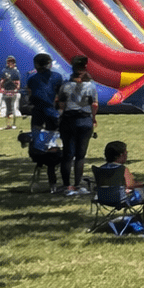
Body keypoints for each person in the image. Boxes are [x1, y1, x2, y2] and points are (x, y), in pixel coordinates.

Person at [57, 55, 99, 194]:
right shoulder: (90, 86)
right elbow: (94, 104)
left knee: (67, 154)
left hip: (68, 120)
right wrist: (93, 118)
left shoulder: (65, 86)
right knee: (80, 155)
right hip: (84, 120)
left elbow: (61, 105)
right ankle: (78, 184)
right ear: (85, 67)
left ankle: (66, 185)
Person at [26, 52, 64, 139]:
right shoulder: (57, 76)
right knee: (53, 135)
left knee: (36, 134)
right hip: (52, 110)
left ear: (36, 65)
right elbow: (61, 94)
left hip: (38, 110)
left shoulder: (32, 78)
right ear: (49, 64)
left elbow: (31, 94)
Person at [0, 56, 22, 130]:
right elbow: (2, 81)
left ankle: (13, 124)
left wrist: (16, 89)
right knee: (8, 109)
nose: (10, 63)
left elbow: (18, 82)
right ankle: (8, 124)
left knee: (13, 108)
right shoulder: (4, 71)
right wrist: (1, 88)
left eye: (12, 62)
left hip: (12, 91)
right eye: (9, 61)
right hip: (6, 91)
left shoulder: (15, 71)